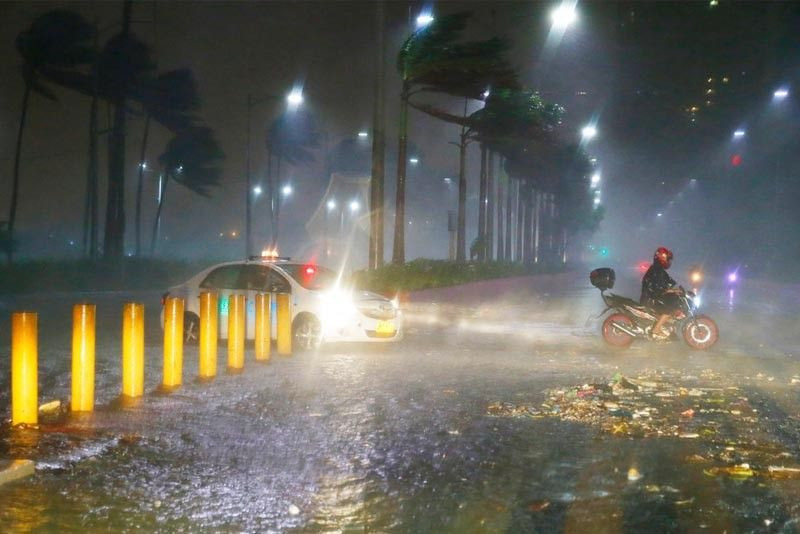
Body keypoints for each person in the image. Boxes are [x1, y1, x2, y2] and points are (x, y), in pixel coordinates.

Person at [640, 246, 681, 339]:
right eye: (668, 259)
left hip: (652, 297)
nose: (669, 261)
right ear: (662, 257)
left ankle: (663, 326)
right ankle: (656, 330)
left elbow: (668, 281)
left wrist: (676, 290)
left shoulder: (659, 270)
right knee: (670, 307)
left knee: (672, 301)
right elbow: (657, 288)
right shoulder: (656, 269)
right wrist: (672, 291)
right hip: (650, 299)